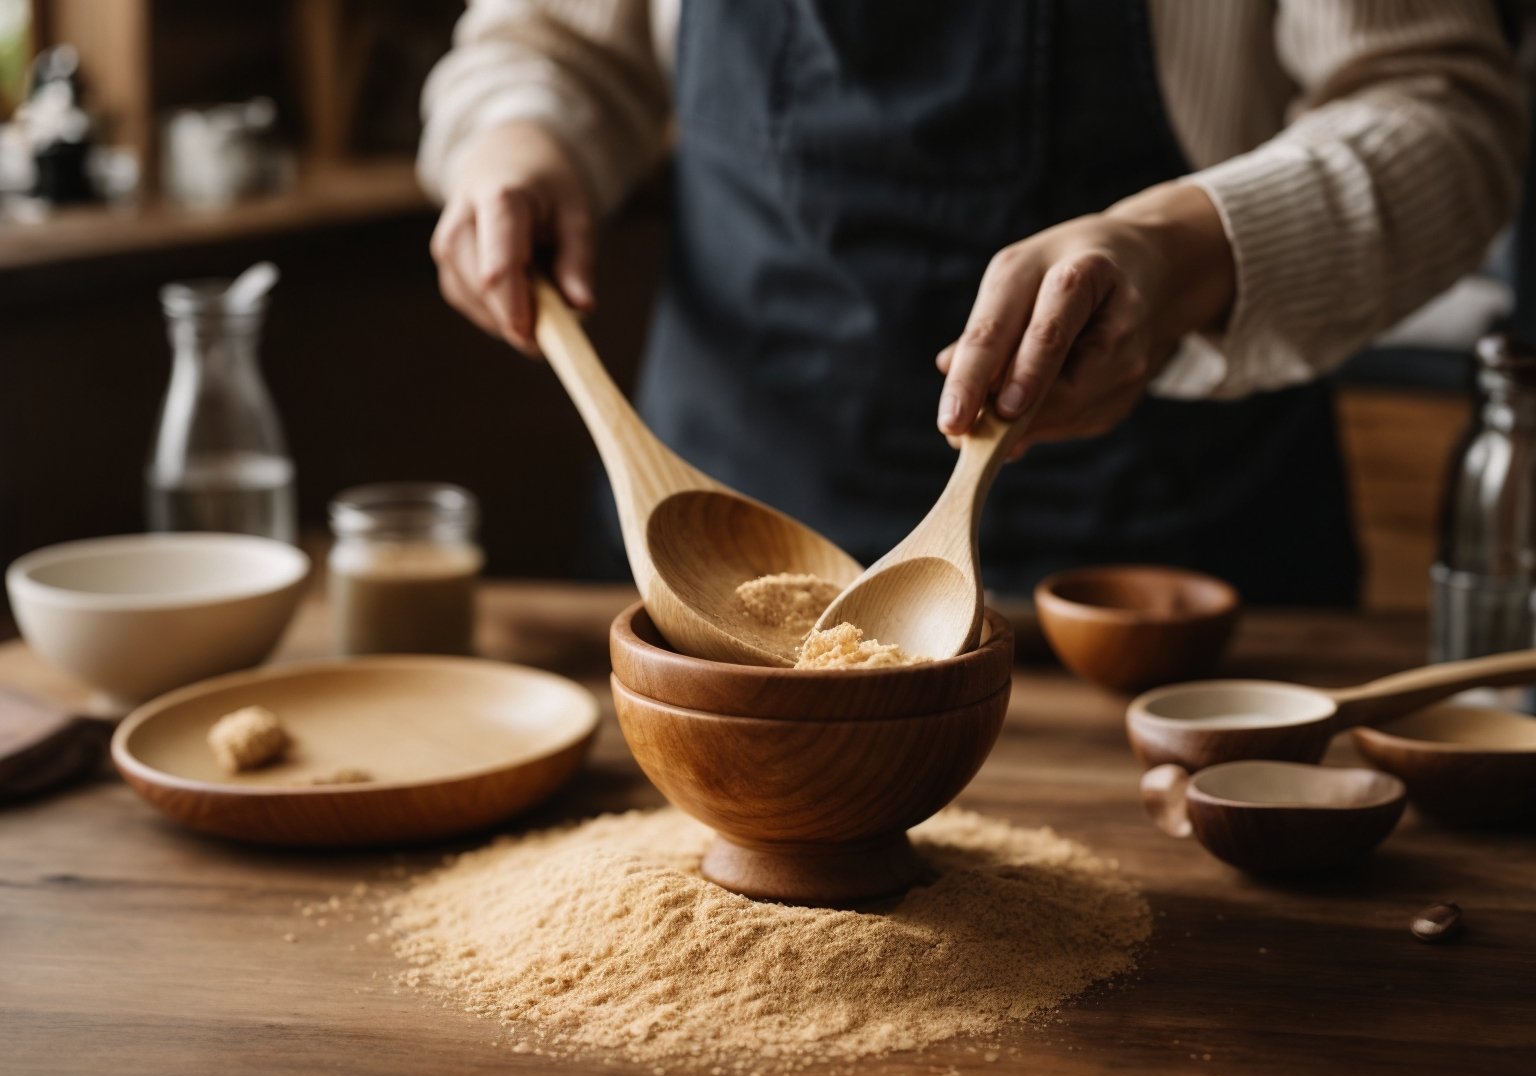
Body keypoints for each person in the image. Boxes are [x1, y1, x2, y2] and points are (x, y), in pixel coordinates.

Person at [420, 0, 1525, 604]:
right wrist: (519, 135)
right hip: (719, 524)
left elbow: (1447, 112)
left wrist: (1179, 249)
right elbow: (545, 39)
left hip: (1161, 571)